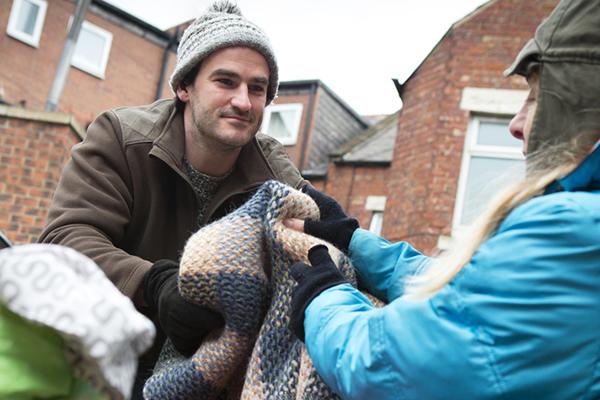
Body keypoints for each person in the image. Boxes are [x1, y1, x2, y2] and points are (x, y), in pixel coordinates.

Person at [284, 0, 600, 398]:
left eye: (536, 98)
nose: (516, 124)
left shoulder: (574, 227)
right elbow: (469, 304)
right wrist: (354, 243)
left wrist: (323, 297)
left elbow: (390, 368)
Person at [39, 0, 306, 397]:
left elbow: (317, 255)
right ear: (184, 86)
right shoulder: (120, 137)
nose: (244, 101)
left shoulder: (277, 176)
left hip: (215, 375)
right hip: (105, 357)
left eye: (257, 88)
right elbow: (66, 237)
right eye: (226, 81)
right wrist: (155, 284)